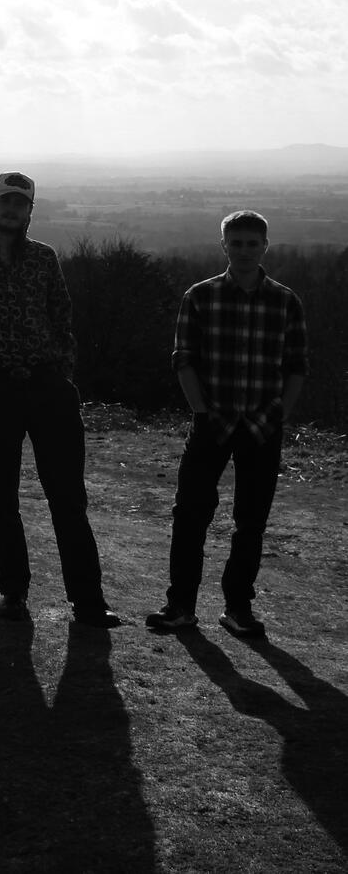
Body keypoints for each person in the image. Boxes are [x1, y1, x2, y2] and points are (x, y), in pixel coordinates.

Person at [0, 172, 119, 626]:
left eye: (21, 203)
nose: (12, 210)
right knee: (2, 500)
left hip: (48, 387)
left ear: (29, 211)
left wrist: (63, 374)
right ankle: (13, 594)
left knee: (68, 498)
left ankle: (88, 601)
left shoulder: (44, 258)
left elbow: (62, 318)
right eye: (6, 201)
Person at [146, 210, 308, 638]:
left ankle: (238, 609)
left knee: (251, 523)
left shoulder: (285, 301)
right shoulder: (200, 296)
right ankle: (180, 606)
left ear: (265, 246)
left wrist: (281, 412)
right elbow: (184, 359)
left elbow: (297, 364)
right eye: (236, 243)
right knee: (190, 516)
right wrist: (200, 410)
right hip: (212, 422)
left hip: (262, 426)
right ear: (224, 246)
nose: (244, 251)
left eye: (252, 243)